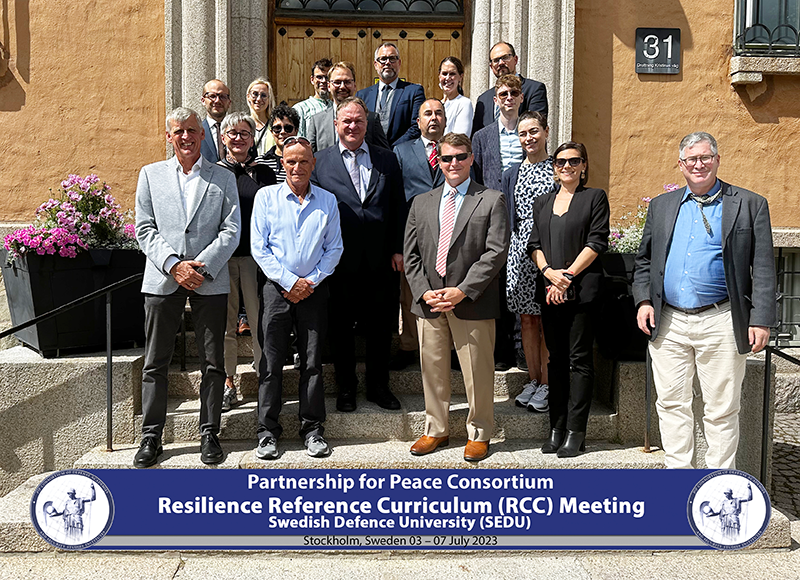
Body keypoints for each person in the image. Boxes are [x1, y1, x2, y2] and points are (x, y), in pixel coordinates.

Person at [633, 131, 777, 469]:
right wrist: (643, 301)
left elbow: (764, 266)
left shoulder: (749, 204)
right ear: (680, 164)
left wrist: (760, 319)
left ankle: (718, 482)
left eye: (705, 157)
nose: (698, 165)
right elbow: (644, 261)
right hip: (669, 321)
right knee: (671, 404)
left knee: (722, 408)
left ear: (717, 160)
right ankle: (679, 480)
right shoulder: (661, 206)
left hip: (721, 319)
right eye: (691, 159)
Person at [134, 107, 240, 467]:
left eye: (192, 130)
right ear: (169, 136)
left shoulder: (222, 177)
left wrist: (202, 266)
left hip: (209, 278)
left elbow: (231, 230)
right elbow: (144, 228)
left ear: (202, 134)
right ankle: (151, 436)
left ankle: (209, 432)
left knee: (213, 362)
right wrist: (174, 265)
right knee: (155, 362)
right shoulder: (150, 175)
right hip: (163, 277)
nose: (186, 137)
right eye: (178, 131)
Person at [404, 133, 510, 462]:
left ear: (471, 158)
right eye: (447, 158)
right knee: (432, 370)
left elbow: (495, 252)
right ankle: (436, 429)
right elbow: (411, 255)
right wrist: (424, 291)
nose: (454, 163)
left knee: (478, 372)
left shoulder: (491, 199)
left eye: (460, 156)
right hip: (430, 302)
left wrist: (462, 290)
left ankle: (479, 432)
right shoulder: (421, 202)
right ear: (438, 161)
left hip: (472, 301)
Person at [251, 136, 344, 459]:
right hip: (276, 290)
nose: (297, 167)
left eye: (304, 161)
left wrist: (310, 282)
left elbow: (335, 248)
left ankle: (313, 430)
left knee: (312, 362)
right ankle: (267, 432)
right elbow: (259, 248)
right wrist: (290, 282)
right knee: (270, 363)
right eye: (291, 161)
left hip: (314, 291)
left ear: (313, 164)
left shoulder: (327, 200)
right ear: (282, 164)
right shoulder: (266, 197)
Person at [311, 97, 405, 412]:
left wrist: (398, 248)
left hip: (381, 259)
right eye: (347, 121)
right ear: (336, 124)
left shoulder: (387, 159)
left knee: (380, 326)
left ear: (367, 124)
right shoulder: (320, 161)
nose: (353, 126)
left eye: (359, 121)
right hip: (338, 261)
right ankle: (346, 388)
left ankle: (379, 387)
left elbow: (398, 205)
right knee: (341, 328)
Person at [527, 141, 609, 458]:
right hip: (550, 292)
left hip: (582, 291)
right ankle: (556, 428)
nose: (567, 167)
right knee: (556, 361)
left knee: (580, 361)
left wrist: (568, 275)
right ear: (554, 167)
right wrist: (549, 273)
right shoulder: (543, 202)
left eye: (574, 161)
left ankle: (576, 433)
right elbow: (534, 245)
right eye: (560, 162)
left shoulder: (594, 198)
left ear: (584, 165)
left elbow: (596, 241)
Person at [218, 112, 278, 412]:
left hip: (256, 259)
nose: (238, 138)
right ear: (223, 138)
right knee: (226, 323)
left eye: (244, 133)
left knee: (259, 321)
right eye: (233, 133)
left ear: (253, 138)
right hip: (223, 258)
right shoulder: (214, 172)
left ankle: (264, 377)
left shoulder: (264, 173)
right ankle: (227, 382)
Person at [501, 111, 556, 412]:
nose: (528, 138)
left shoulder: (557, 169)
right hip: (519, 253)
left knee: (547, 319)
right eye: (522, 134)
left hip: (548, 252)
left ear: (546, 131)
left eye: (534, 131)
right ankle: (533, 379)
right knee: (526, 319)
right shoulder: (512, 173)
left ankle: (548, 382)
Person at [472, 74, 525, 371]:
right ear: (495, 100)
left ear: (521, 98)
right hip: (493, 216)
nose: (508, 98)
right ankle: (501, 349)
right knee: (496, 280)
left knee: (519, 280)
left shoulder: (529, 132)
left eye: (513, 93)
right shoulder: (482, 137)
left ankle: (520, 346)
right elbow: (477, 179)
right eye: (503, 94)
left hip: (524, 215)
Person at [391, 98, 447, 370]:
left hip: (449, 233)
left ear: (445, 119)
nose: (433, 118)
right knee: (410, 293)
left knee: (447, 290)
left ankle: (449, 348)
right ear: (418, 121)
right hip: (412, 236)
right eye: (428, 113)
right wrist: (397, 246)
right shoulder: (401, 151)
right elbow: (394, 199)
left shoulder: (455, 150)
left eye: (438, 113)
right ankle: (409, 345)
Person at [307, 61, 389, 153]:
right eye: (337, 82)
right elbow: (309, 155)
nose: (342, 87)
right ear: (329, 86)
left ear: (354, 85)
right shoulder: (316, 121)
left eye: (347, 82)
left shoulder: (371, 119)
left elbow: (384, 155)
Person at [472, 41, 548, 136]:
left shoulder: (534, 89)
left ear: (515, 60)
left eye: (505, 57)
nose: (501, 63)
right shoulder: (483, 99)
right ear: (491, 66)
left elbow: (537, 127)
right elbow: (476, 135)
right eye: (496, 60)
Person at [356, 42, 425, 147]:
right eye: (383, 59)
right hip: (370, 153)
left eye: (392, 58)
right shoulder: (362, 95)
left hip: (401, 152)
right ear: (376, 64)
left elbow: (417, 126)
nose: (387, 62)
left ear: (399, 63)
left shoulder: (414, 91)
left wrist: (394, 149)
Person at [259, 104, 300, 182]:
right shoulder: (260, 162)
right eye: (277, 128)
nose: (282, 132)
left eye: (288, 128)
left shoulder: (304, 162)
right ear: (272, 132)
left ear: (296, 131)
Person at [293, 58, 333, 138]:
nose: (323, 81)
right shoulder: (300, 109)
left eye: (327, 77)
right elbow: (297, 140)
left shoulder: (337, 107)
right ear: (312, 80)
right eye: (319, 77)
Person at [439, 56, 473, 135]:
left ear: (460, 77)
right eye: (444, 74)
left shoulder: (464, 103)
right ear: (439, 76)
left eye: (452, 74)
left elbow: (461, 136)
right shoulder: (437, 104)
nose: (447, 78)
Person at [200, 79, 232, 162]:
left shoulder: (240, 132)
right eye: (212, 96)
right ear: (203, 101)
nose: (217, 100)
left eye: (222, 96)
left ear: (229, 102)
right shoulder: (196, 132)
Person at [246, 77, 277, 156]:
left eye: (263, 95)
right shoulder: (244, 125)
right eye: (255, 94)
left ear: (269, 99)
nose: (259, 99)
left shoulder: (276, 126)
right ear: (248, 97)